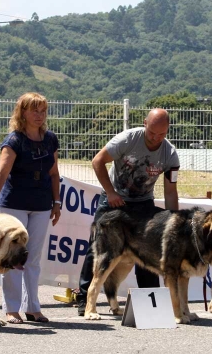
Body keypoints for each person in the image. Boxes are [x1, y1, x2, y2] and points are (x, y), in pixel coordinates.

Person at [75, 108, 180, 316]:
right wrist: (111, 192)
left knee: (148, 250)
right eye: (152, 133)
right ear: (145, 124)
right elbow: (97, 161)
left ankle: (150, 304)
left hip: (143, 204)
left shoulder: (170, 154)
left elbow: (170, 191)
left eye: (162, 134)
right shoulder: (127, 139)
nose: (156, 138)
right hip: (114, 201)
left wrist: (174, 222)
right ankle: (84, 298)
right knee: (97, 248)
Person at [0, 92, 61, 324]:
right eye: (34, 110)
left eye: (43, 110)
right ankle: (11, 308)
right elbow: (1, 172)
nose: (39, 115)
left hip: (41, 205)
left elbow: (54, 173)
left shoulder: (50, 139)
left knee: (33, 259)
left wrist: (56, 202)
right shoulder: (14, 140)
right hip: (14, 205)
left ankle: (32, 308)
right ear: (23, 112)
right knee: (14, 258)